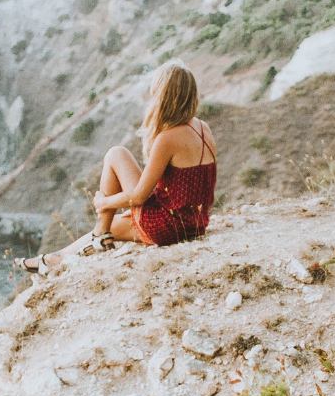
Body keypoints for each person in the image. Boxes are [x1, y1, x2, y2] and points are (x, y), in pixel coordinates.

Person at [21, 63, 217, 271]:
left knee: (116, 155)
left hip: (169, 227)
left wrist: (104, 202)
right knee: (113, 222)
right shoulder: (202, 128)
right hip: (194, 223)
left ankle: (84, 242)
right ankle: (63, 253)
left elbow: (139, 196)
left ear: (162, 97)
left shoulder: (168, 138)